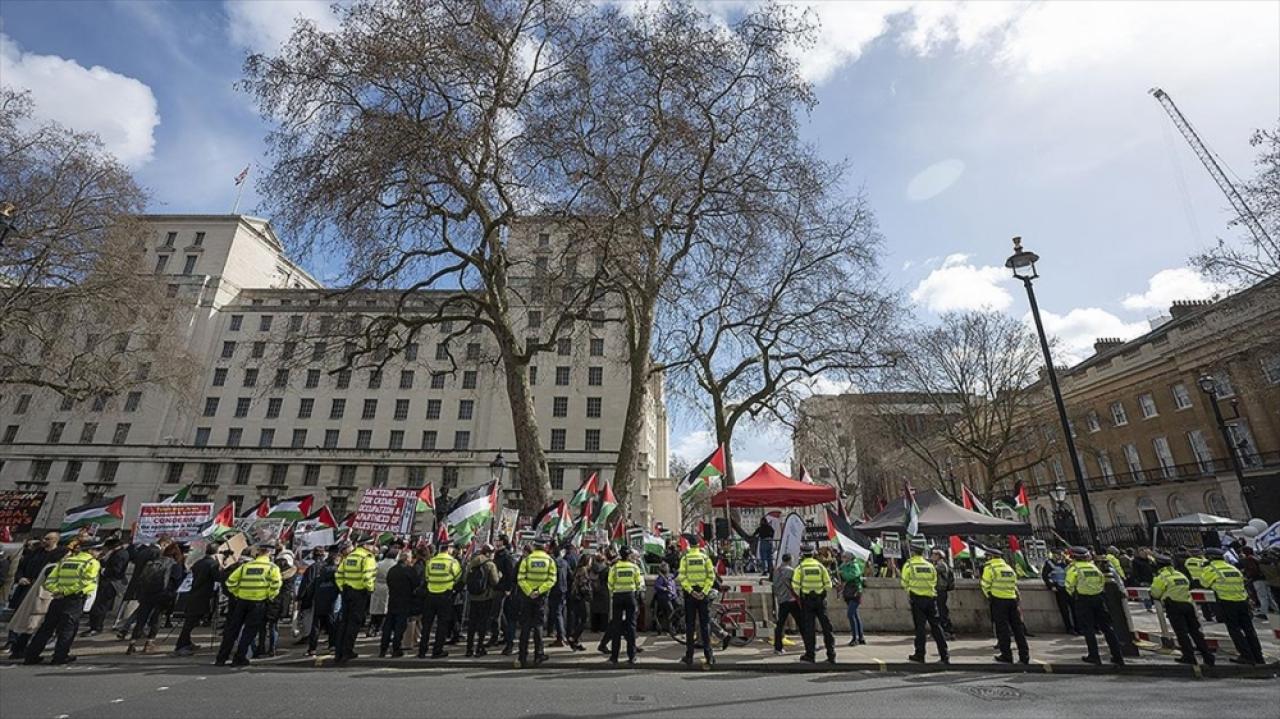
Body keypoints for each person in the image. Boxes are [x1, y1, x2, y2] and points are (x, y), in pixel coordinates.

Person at [22, 538, 106, 665]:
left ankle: (31, 656)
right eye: (98, 549)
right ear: (90, 550)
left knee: (46, 628)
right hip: (74, 599)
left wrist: (57, 591)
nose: (100, 553)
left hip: (57, 598)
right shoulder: (91, 563)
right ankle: (60, 657)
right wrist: (66, 592)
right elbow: (85, 582)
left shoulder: (66, 560)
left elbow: (50, 580)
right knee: (68, 629)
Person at [215, 542, 283, 667]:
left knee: (232, 630)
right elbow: (276, 584)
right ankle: (239, 657)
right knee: (249, 632)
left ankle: (221, 658)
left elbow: (230, 582)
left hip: (241, 601)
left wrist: (237, 593)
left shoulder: (246, 566)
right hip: (258, 602)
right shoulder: (272, 568)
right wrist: (269, 595)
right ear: (270, 553)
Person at [1201, 548, 1264, 665]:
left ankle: (1246, 656)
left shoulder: (1211, 569)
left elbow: (1204, 583)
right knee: (1249, 630)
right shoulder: (1232, 568)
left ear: (1209, 558)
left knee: (1234, 630)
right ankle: (1258, 656)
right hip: (1242, 602)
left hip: (1227, 602)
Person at [1149, 554, 1214, 666]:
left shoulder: (1161, 577)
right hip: (1188, 605)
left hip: (1174, 607)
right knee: (1196, 632)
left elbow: (1155, 593)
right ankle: (1207, 656)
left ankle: (1189, 656)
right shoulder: (1181, 575)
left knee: (1182, 633)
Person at [1065, 546, 1124, 666]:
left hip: (1083, 600)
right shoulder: (1094, 568)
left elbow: (1069, 585)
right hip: (1099, 599)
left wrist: (1075, 594)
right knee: (1107, 628)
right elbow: (1102, 582)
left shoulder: (1074, 569)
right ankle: (1118, 655)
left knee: (1088, 629)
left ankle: (1094, 656)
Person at [128, 541, 184, 655]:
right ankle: (149, 643)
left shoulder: (152, 562)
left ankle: (132, 644)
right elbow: (177, 580)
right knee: (156, 618)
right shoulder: (174, 565)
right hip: (162, 595)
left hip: (146, 593)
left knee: (141, 618)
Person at [901, 538, 948, 664]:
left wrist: (910, 590)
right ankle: (944, 655)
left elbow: (904, 581)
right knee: (936, 627)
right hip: (931, 598)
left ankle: (920, 655)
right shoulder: (930, 565)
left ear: (912, 553)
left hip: (917, 599)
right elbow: (934, 581)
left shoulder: (910, 564)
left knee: (920, 629)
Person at [333, 535, 377, 664]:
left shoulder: (349, 557)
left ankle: (338, 652)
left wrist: (342, 587)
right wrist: (370, 588)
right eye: (371, 544)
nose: (373, 547)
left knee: (344, 623)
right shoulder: (367, 557)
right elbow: (367, 575)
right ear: (366, 545)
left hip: (347, 592)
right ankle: (347, 651)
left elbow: (339, 574)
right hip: (359, 593)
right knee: (354, 623)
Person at [981, 551, 1030, 664]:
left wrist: (989, 595)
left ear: (991, 557)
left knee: (1003, 630)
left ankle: (1007, 655)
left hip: (998, 601)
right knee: (1018, 630)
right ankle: (1024, 656)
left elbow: (985, 584)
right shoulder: (1008, 568)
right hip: (1012, 600)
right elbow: (1014, 583)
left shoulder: (990, 568)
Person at [514, 539, 556, 668]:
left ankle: (522, 657)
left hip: (527, 597)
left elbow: (520, 578)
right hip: (540, 597)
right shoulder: (549, 560)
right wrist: (539, 590)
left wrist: (529, 591)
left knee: (525, 627)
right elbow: (552, 579)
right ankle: (538, 655)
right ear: (544, 547)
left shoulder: (526, 560)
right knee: (538, 626)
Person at [792, 545, 836, 664]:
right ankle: (831, 655)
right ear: (813, 554)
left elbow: (795, 586)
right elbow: (829, 585)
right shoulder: (820, 567)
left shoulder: (800, 568)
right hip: (820, 600)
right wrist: (821, 592)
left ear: (802, 554)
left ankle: (810, 656)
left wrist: (802, 593)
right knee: (827, 628)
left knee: (809, 629)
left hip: (807, 601)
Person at [175, 543, 221, 655]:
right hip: (203, 596)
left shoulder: (199, 563)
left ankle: (186, 642)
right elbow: (218, 578)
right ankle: (181, 645)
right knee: (190, 623)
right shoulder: (212, 564)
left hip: (194, 593)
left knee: (190, 621)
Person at [420, 541, 462, 659]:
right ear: (448, 549)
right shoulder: (452, 562)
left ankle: (422, 650)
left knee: (427, 625)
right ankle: (437, 651)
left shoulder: (431, 561)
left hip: (431, 595)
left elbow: (427, 577)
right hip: (445, 595)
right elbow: (458, 577)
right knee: (442, 625)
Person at [678, 540, 717, 668]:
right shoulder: (705, 558)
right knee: (705, 625)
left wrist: (691, 591)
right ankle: (709, 656)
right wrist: (704, 592)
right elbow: (711, 577)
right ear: (699, 547)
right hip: (703, 594)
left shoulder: (685, 559)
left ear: (689, 547)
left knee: (690, 626)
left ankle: (689, 656)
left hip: (690, 595)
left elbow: (682, 577)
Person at [606, 545, 645, 664]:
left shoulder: (615, 568)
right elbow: (639, 583)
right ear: (628, 556)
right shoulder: (634, 567)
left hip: (618, 597)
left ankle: (614, 657)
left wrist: (614, 592)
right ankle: (632, 656)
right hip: (630, 597)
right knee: (631, 627)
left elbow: (610, 583)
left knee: (616, 627)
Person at [83, 538, 127, 636]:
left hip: (110, 583)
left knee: (101, 606)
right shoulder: (114, 553)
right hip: (105, 582)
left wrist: (103, 570)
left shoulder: (121, 554)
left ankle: (96, 627)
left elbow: (117, 570)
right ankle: (94, 624)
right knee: (98, 605)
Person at [463, 545, 500, 657]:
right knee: (482, 624)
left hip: (473, 598)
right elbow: (495, 581)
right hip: (486, 597)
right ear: (488, 553)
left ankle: (469, 649)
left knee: (472, 623)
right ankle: (479, 647)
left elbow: (465, 579)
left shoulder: (471, 563)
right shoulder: (490, 565)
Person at [380, 549, 418, 657]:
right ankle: (396, 648)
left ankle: (383, 648)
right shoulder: (409, 570)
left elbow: (389, 582)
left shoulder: (392, 570)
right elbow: (416, 584)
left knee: (388, 625)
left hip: (392, 600)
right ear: (407, 559)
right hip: (405, 600)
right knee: (399, 626)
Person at [305, 546, 340, 656]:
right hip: (332, 602)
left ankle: (312, 648)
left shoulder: (319, 574)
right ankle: (333, 646)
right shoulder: (336, 574)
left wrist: (309, 600)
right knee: (332, 626)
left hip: (319, 602)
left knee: (316, 627)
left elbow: (311, 588)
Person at [491, 535, 518, 654]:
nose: (496, 542)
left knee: (497, 614)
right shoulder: (497, 555)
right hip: (497, 587)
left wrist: (508, 588)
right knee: (499, 615)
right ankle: (505, 635)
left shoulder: (506, 556)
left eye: (498, 540)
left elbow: (510, 574)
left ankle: (497, 637)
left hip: (503, 589)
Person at [770, 553, 799, 654]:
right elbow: (796, 584)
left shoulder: (776, 571)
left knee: (780, 625)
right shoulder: (791, 571)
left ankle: (778, 648)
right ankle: (810, 645)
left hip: (781, 600)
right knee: (802, 623)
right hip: (791, 600)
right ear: (790, 560)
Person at [837, 551, 866, 645]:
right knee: (855, 615)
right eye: (842, 556)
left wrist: (842, 573)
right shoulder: (843, 565)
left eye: (845, 556)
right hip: (848, 592)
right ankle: (861, 637)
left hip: (855, 592)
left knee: (850, 614)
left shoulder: (855, 565)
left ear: (849, 557)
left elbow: (852, 576)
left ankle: (855, 638)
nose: (843, 558)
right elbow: (838, 572)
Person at [566, 555, 593, 651]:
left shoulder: (578, 570)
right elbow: (583, 585)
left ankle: (575, 641)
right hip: (580, 598)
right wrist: (589, 595)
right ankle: (573, 637)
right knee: (584, 619)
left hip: (575, 597)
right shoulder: (583, 570)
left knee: (578, 619)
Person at [1182, 547, 1215, 622]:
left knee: (1202, 600)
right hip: (1203, 581)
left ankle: (1207, 616)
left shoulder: (1188, 561)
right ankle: (1213, 613)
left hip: (1194, 581)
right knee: (1210, 598)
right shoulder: (1203, 561)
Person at [547, 545, 570, 647]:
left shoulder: (552, 563)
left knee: (556, 613)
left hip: (554, 590)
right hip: (563, 590)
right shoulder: (564, 563)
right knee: (559, 612)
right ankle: (561, 636)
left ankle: (561, 637)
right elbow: (570, 575)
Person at [931, 548, 956, 640]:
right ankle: (944, 631)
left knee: (942, 612)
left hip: (941, 591)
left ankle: (948, 631)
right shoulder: (939, 564)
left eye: (933, 555)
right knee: (940, 611)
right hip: (940, 590)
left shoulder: (941, 565)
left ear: (938, 556)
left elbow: (932, 571)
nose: (932, 556)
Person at [652, 562, 678, 634]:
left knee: (673, 612)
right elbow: (657, 586)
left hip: (671, 597)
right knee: (670, 612)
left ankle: (671, 627)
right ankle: (670, 628)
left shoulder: (669, 576)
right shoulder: (661, 577)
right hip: (664, 598)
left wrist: (677, 571)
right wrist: (665, 589)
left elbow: (674, 576)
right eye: (667, 567)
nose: (668, 568)